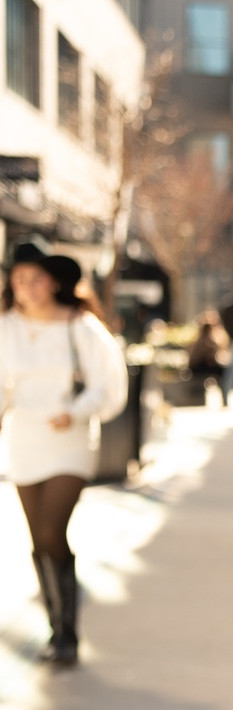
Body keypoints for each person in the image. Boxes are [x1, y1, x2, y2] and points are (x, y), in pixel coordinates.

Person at [0, 242, 128, 665]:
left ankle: (68, 633)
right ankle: (58, 630)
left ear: (54, 282)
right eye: (19, 280)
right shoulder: (7, 327)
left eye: (35, 279)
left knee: (54, 530)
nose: (27, 287)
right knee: (37, 537)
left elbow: (107, 383)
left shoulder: (81, 326)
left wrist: (74, 412)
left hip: (69, 439)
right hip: (25, 439)